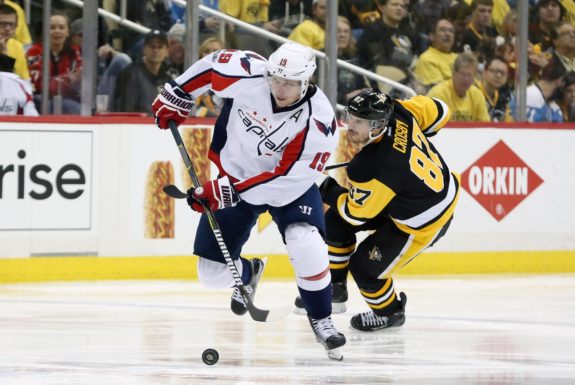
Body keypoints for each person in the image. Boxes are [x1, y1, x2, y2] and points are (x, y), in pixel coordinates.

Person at [151, 41, 346, 358]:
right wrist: (178, 92)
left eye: (290, 84)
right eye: (276, 80)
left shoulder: (319, 122)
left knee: (305, 241)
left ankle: (322, 320)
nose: (280, 90)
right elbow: (213, 65)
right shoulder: (249, 73)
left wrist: (227, 192)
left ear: (306, 82)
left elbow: (284, 179)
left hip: (289, 189)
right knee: (211, 274)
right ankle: (249, 273)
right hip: (235, 174)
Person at [294, 88, 459, 331]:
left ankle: (390, 312)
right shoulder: (400, 111)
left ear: (379, 124)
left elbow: (355, 213)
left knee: (365, 268)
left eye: (360, 122)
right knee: (334, 223)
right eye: (351, 117)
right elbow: (441, 112)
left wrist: (325, 187)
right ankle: (335, 289)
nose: (350, 125)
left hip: (425, 219)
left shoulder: (372, 165)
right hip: (408, 195)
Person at [26, 12, 82, 115]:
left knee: (75, 106)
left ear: (68, 32)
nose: (57, 31)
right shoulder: (34, 52)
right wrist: (67, 80)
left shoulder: (75, 51)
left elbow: (79, 78)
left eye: (61, 27)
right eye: (52, 27)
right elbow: (36, 82)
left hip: (66, 97)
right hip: (40, 97)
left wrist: (58, 82)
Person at [112, 30, 171, 114]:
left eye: (160, 47)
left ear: (167, 51)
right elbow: (124, 110)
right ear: (144, 49)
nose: (155, 50)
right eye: (152, 46)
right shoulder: (129, 74)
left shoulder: (169, 78)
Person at [426, 52, 490, 121]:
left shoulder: (477, 95)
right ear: (453, 73)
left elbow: (485, 126)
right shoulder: (438, 94)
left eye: (470, 75)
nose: (466, 79)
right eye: (462, 74)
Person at [413, 19, 458, 91]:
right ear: (432, 36)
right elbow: (438, 92)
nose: (447, 34)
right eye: (442, 30)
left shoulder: (459, 58)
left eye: (451, 31)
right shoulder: (427, 58)